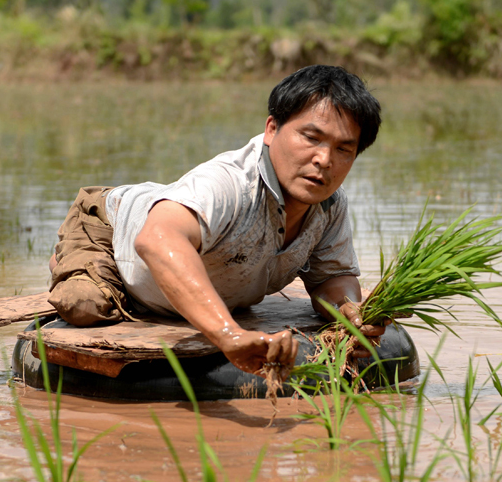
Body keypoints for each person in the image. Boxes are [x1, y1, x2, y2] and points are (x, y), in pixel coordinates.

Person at [47, 65, 386, 378]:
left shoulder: (328, 206)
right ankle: (70, 261)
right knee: (84, 305)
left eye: (344, 149)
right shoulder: (231, 183)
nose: (324, 160)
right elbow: (156, 239)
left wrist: (348, 312)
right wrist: (228, 334)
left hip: (175, 216)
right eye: (311, 137)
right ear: (271, 129)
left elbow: (332, 277)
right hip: (109, 226)